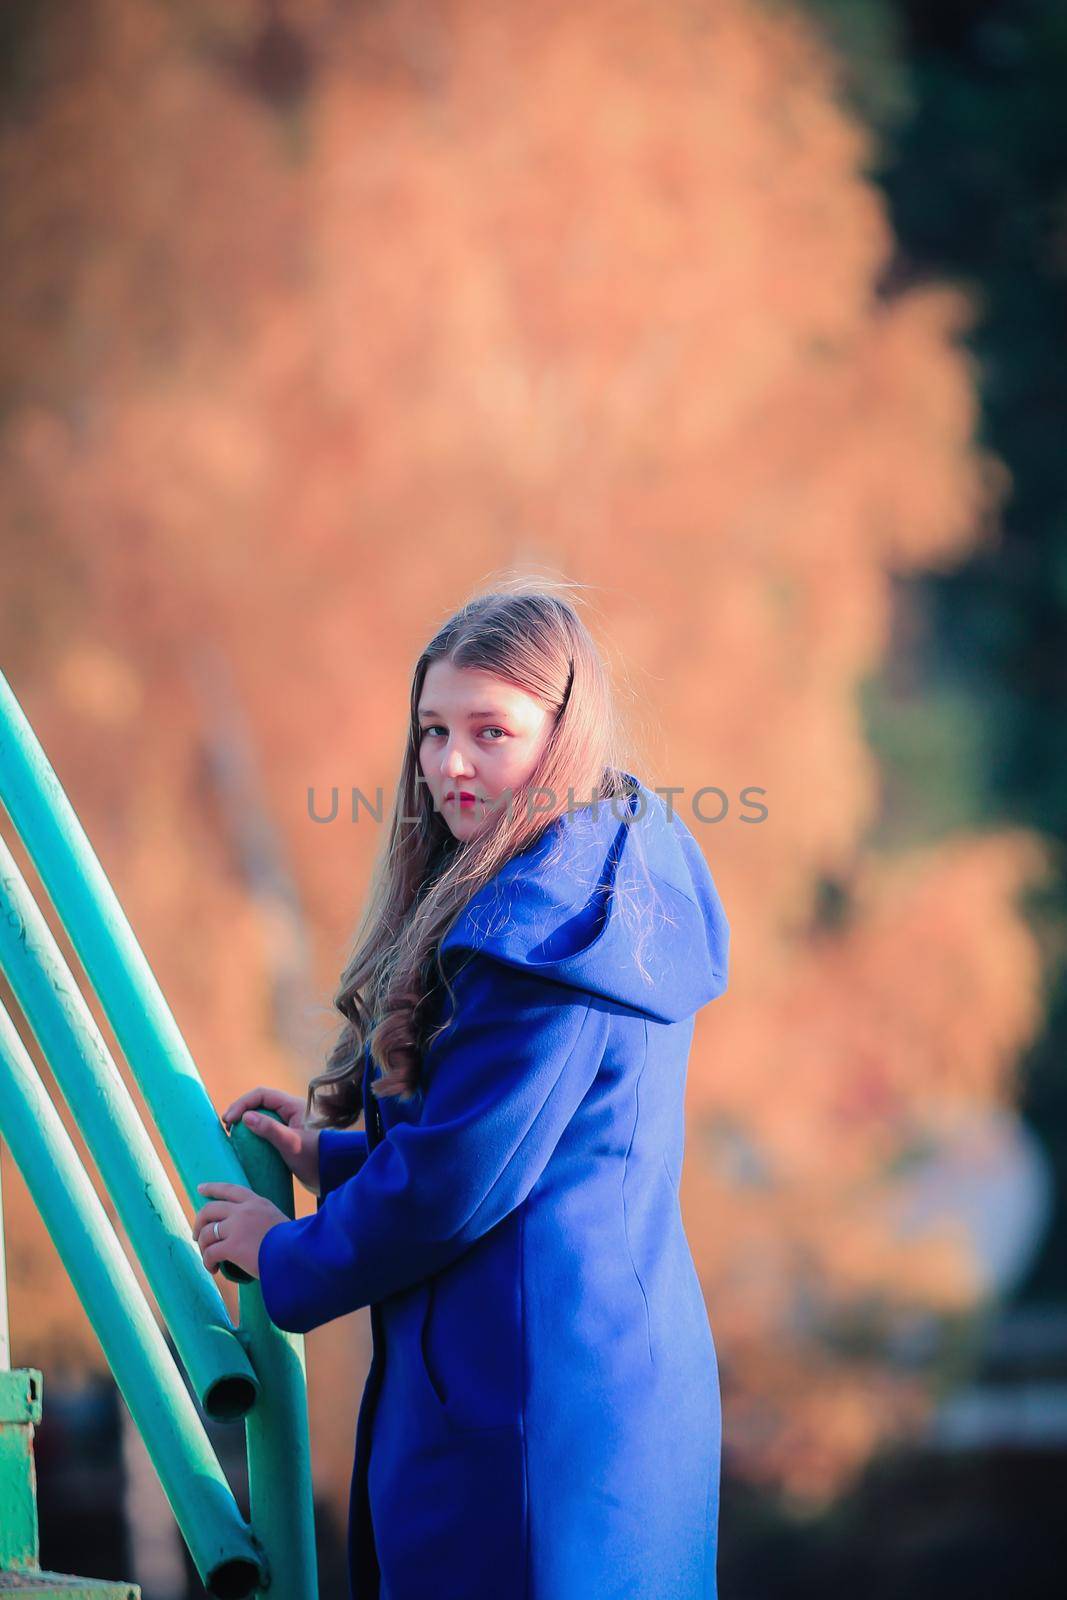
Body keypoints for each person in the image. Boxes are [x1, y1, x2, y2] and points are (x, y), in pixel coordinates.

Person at [192, 586, 730, 1600]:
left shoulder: (550, 930)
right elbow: (531, 1150)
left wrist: (283, 1250)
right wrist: (332, 1156)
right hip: (597, 1374)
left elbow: (451, 1186)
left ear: (562, 736)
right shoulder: (606, 870)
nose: (449, 763)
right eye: (433, 729)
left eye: (492, 731)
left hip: (530, 1413)